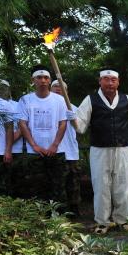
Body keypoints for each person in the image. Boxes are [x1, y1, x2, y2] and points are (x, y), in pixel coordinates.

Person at [76, 68, 128, 234]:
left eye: (113, 80)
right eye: (106, 79)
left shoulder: (126, 99)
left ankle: (121, 220)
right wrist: (73, 118)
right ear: (100, 82)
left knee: (122, 184)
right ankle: (103, 222)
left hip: (121, 149)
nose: (110, 83)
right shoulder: (90, 100)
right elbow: (80, 127)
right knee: (101, 185)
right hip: (99, 150)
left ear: (118, 82)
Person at [17, 65, 69, 206]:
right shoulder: (25, 100)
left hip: (56, 151)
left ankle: (59, 219)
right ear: (33, 80)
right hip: (34, 152)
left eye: (46, 77)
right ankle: (39, 219)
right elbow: (23, 124)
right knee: (36, 187)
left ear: (49, 80)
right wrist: (34, 145)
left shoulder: (59, 100)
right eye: (39, 78)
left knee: (58, 186)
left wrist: (54, 145)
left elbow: (63, 123)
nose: (43, 80)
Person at [51, 80, 81, 216]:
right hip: (54, 150)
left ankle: (74, 210)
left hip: (71, 151)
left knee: (73, 183)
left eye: (62, 87)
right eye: (55, 86)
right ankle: (58, 211)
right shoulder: (48, 106)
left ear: (66, 91)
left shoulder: (73, 108)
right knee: (56, 183)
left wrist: (75, 119)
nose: (58, 89)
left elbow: (81, 129)